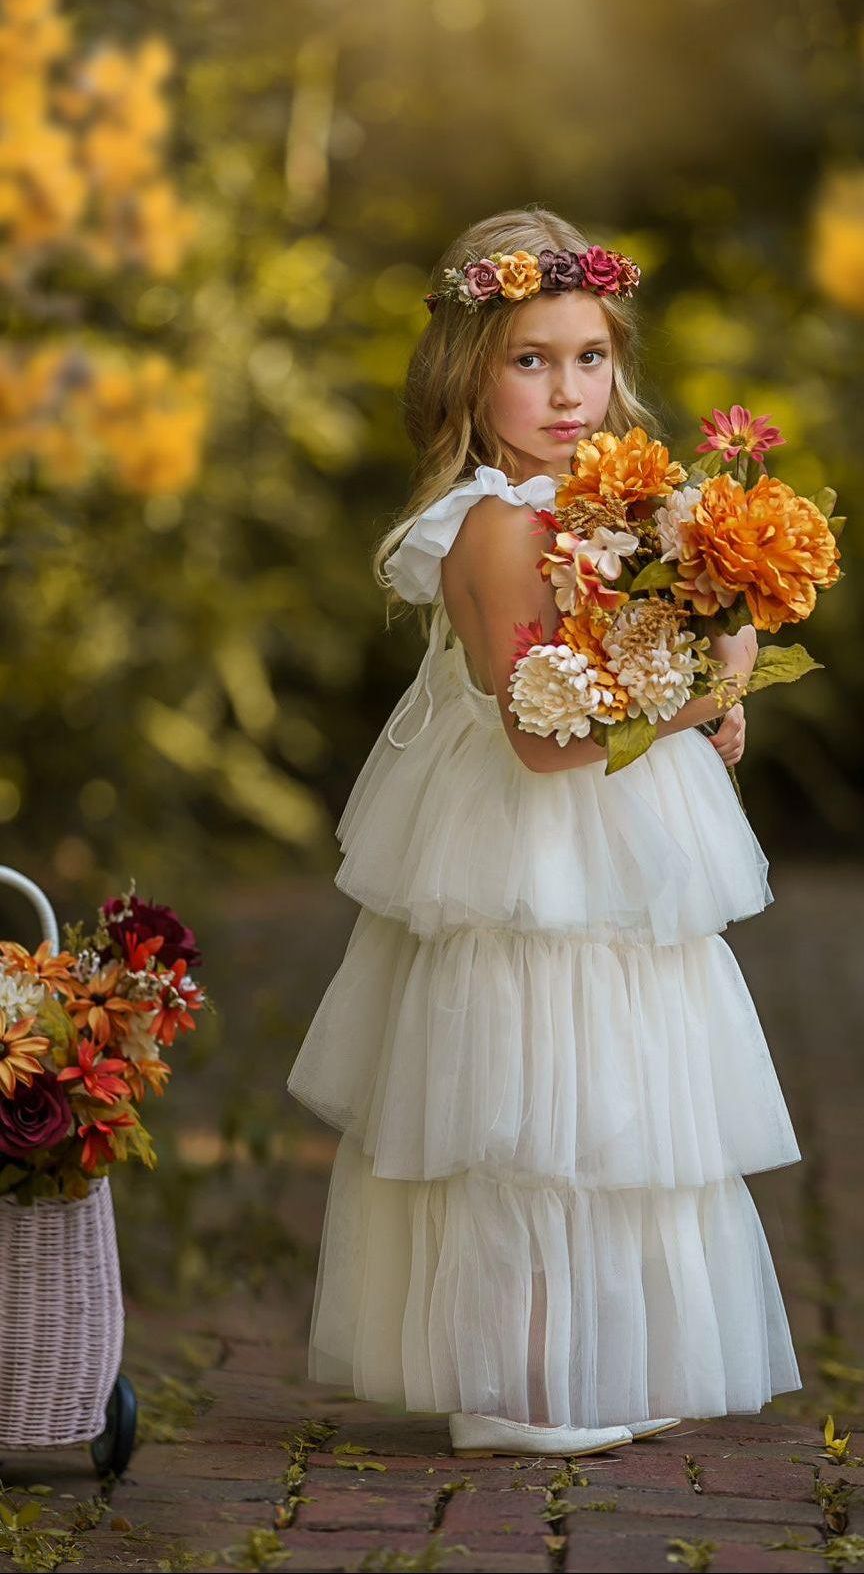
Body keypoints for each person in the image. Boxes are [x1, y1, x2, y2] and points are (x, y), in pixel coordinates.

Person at [286, 207, 802, 1460]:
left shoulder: (593, 503)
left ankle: (597, 1354)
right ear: (470, 368)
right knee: (527, 1104)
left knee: (615, 1093)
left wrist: (696, 655)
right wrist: (717, 686)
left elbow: (618, 675)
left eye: (588, 357)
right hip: (529, 849)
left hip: (609, 842)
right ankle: (520, 1374)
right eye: (529, 360)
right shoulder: (501, 525)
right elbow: (546, 740)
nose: (568, 390)